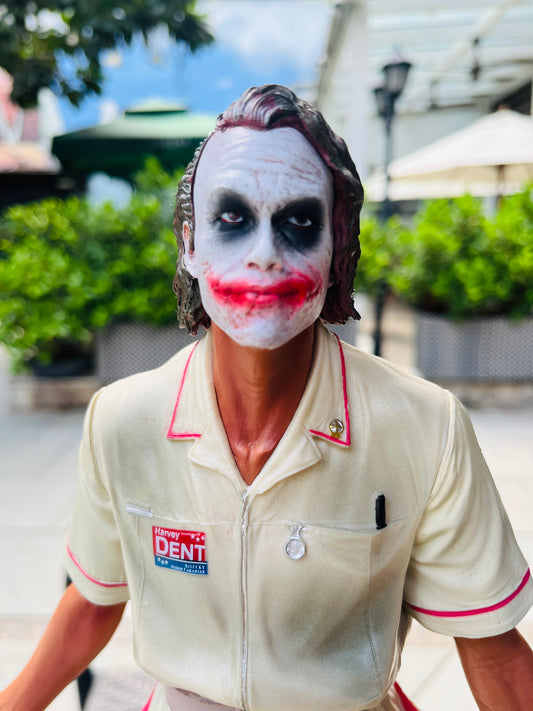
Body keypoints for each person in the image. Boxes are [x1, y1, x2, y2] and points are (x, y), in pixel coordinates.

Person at [1, 84, 532, 711]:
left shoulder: (424, 427)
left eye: (299, 223)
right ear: (189, 245)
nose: (264, 257)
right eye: (232, 219)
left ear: (338, 246)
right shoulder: (122, 421)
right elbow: (94, 600)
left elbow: (491, 648)